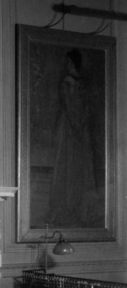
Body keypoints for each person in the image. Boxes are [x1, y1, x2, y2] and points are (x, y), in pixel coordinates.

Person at [47, 49, 101, 227]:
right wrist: (79, 124)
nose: (66, 65)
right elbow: (75, 107)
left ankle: (77, 207)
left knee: (76, 166)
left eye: (67, 62)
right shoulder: (74, 83)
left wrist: (76, 124)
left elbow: (73, 107)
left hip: (73, 129)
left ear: (71, 62)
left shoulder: (69, 83)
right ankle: (68, 207)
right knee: (68, 166)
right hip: (74, 129)